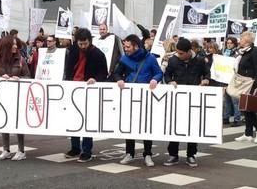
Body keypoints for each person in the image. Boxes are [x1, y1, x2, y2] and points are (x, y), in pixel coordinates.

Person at [114, 34, 163, 167]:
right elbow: (117, 73)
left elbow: (159, 73)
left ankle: (148, 154)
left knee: (146, 125)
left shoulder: (150, 58)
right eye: (125, 46)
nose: (126, 49)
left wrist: (155, 79)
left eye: (128, 47)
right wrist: (119, 79)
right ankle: (130, 153)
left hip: (146, 97)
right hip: (130, 96)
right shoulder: (124, 59)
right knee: (130, 125)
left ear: (136, 46)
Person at [163, 38, 210, 167]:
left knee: (192, 126)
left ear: (189, 51)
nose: (179, 55)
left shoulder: (199, 60)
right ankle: (173, 154)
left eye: (181, 53)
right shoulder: (173, 60)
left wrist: (206, 80)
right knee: (175, 126)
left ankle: (191, 155)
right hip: (177, 97)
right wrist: (169, 81)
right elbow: (167, 75)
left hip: (193, 98)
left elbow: (207, 73)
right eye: (177, 52)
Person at [64, 28, 108, 162]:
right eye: (80, 44)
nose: (82, 46)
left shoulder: (98, 54)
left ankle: (87, 150)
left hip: (89, 90)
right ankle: (75, 147)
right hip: (74, 87)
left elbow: (103, 73)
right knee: (74, 119)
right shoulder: (72, 50)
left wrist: (95, 79)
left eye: (85, 44)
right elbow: (68, 68)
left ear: (90, 41)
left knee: (87, 120)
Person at [0, 36, 30, 161]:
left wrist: (20, 79)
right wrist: (1, 78)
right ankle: (6, 150)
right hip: (2, 96)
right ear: (6, 46)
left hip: (18, 95)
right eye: (13, 44)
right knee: (4, 121)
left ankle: (21, 150)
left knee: (19, 122)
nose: (15, 46)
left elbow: (28, 77)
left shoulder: (21, 60)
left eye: (16, 44)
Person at [234, 31, 257, 144]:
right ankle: (248, 133)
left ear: (247, 41)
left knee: (249, 108)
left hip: (251, 84)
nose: (239, 41)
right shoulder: (242, 51)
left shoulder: (254, 52)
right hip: (243, 83)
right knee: (245, 108)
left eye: (241, 39)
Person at [222, 37, 241, 126]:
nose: (228, 45)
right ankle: (226, 117)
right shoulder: (224, 52)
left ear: (234, 44)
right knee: (227, 100)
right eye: (227, 43)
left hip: (234, 79)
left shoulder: (237, 53)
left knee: (235, 101)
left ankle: (237, 119)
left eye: (231, 43)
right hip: (225, 80)